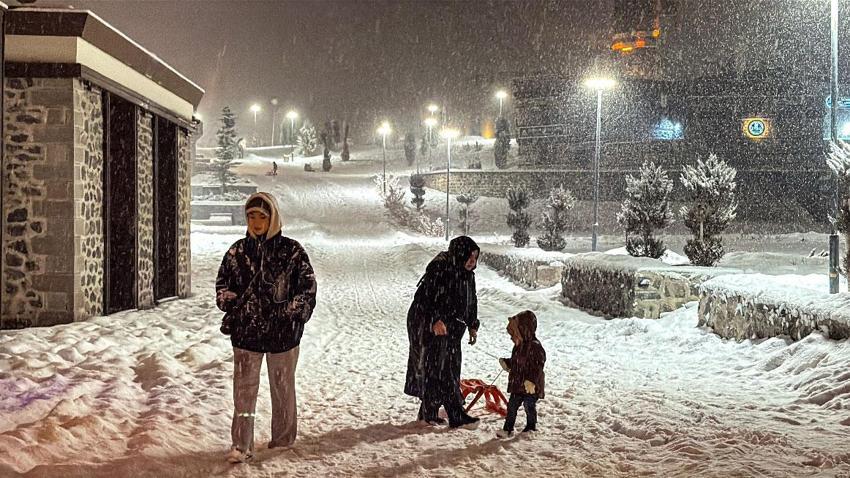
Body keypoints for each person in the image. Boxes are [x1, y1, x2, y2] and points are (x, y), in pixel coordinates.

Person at [215, 192, 317, 463]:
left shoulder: (292, 252)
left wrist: (286, 313)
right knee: (244, 394)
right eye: (251, 216)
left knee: (283, 390)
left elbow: (307, 291)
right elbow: (222, 289)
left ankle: (283, 441)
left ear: (272, 218)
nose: (257, 222)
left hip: (283, 336)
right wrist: (237, 305)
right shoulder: (237, 252)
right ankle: (241, 444)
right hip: (246, 336)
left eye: (262, 216)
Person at [404, 235, 481, 428]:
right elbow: (424, 298)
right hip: (431, 326)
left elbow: (471, 301)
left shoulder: (466, 273)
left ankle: (430, 413)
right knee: (439, 369)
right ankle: (452, 415)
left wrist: (473, 324)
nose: (473, 262)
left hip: (452, 328)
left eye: (475, 258)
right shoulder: (440, 268)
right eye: (470, 257)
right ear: (460, 253)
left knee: (446, 368)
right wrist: (434, 320)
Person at [495, 310, 546, 439]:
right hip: (518, 384)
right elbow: (516, 362)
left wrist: (532, 381)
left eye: (514, 332)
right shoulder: (518, 346)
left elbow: (538, 366)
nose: (512, 337)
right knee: (512, 406)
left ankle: (531, 426)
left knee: (529, 406)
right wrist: (508, 363)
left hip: (530, 386)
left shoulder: (535, 347)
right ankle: (508, 429)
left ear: (524, 330)